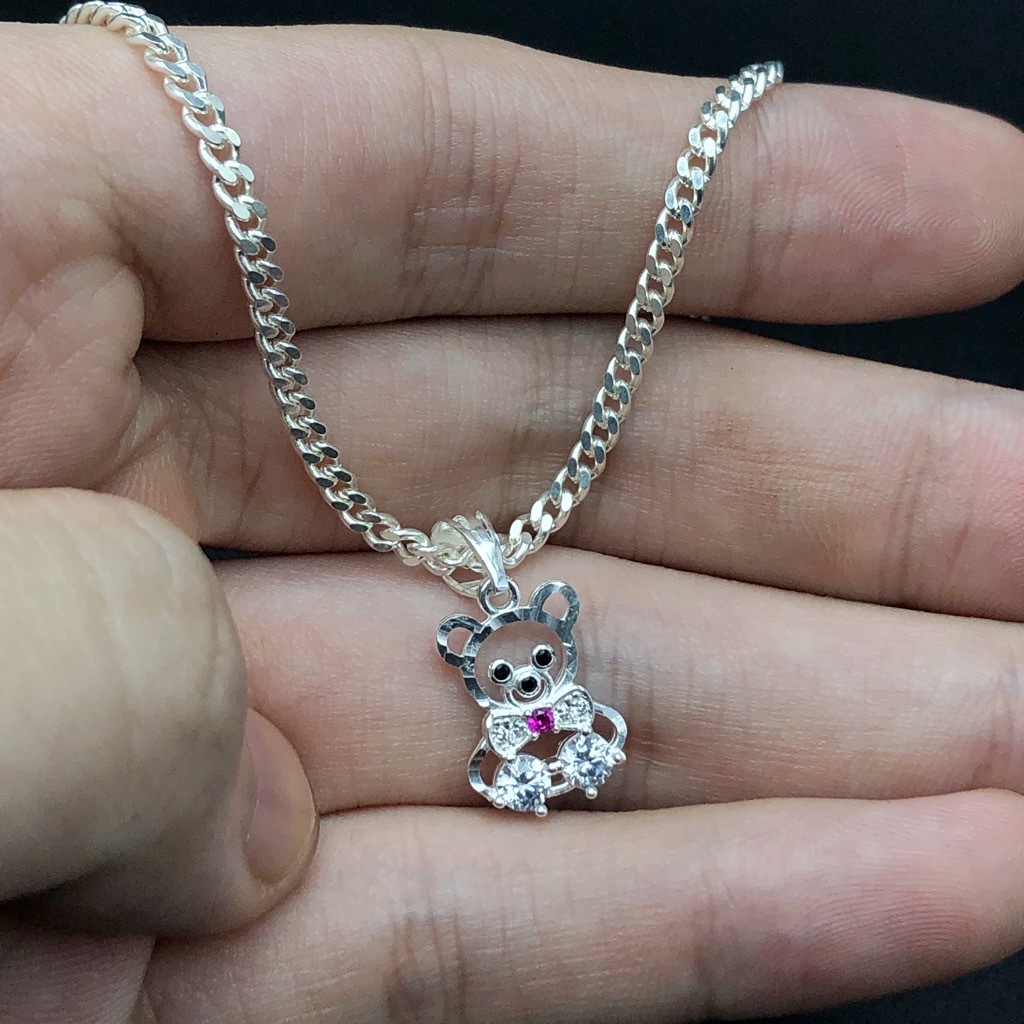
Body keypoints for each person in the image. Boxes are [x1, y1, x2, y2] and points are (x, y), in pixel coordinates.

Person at [2, 15, 1024, 1024]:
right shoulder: (496, 691)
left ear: (553, 632)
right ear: (472, 660)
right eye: (517, 672)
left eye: (534, 664)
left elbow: (573, 715)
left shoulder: (549, 667)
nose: (529, 679)